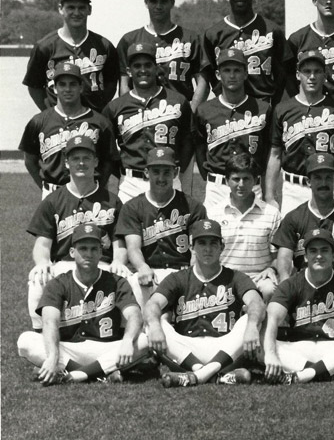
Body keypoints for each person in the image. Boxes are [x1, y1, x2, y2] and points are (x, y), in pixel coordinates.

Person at [17, 223, 148, 385]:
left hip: (106, 348)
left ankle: (76, 374)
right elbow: (50, 322)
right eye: (83, 249)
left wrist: (127, 341)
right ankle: (101, 373)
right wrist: (53, 356)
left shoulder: (116, 281)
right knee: (25, 341)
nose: (89, 254)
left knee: (143, 340)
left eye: (94, 249)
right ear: (72, 252)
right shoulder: (59, 283)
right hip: (70, 349)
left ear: (101, 252)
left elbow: (134, 315)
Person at [144, 219, 265, 387]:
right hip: (186, 348)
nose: (207, 249)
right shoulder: (178, 278)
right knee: (153, 323)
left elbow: (256, 302)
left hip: (225, 347)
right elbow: (152, 305)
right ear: (191, 247)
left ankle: (197, 376)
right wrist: (155, 326)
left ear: (221, 247)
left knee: (251, 320)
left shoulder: (235, 277)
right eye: (201, 243)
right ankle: (212, 375)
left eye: (213, 243)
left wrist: (252, 326)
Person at [26, 135, 127, 330]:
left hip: (102, 265)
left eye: (86, 158)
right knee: (37, 277)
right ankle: (41, 334)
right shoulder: (53, 201)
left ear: (96, 162)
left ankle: (125, 337)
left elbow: (119, 242)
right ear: (67, 163)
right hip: (64, 265)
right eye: (75, 158)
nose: (81, 163)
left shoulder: (112, 201)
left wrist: (119, 262)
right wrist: (42, 262)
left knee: (130, 279)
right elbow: (42, 244)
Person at [263, 228, 334, 384]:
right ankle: (329, 374)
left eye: (324, 250)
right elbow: (272, 317)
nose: (319, 256)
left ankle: (302, 376)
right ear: (306, 256)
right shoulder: (292, 284)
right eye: (313, 251)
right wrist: (271, 353)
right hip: (299, 349)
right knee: (262, 339)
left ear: (333, 255)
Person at [104, 42, 192, 203]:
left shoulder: (178, 101)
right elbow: (109, 152)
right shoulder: (115, 107)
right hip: (131, 183)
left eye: (147, 65)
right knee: (128, 228)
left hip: (168, 179)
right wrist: (124, 172)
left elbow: (188, 143)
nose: (143, 70)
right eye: (137, 66)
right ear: (129, 71)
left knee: (171, 228)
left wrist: (175, 168)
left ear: (156, 67)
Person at [118, 146, 207, 305]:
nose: (161, 177)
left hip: (181, 272)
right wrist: (142, 266)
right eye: (155, 171)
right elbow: (133, 248)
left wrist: (193, 272)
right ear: (146, 173)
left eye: (166, 172)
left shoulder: (193, 207)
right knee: (136, 284)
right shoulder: (132, 207)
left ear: (175, 173)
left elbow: (196, 249)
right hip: (148, 272)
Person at [265, 49, 334, 213]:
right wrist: (269, 195)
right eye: (307, 71)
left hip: (329, 187)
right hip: (294, 187)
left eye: (317, 71)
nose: (312, 76)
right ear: (298, 75)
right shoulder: (283, 109)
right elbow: (275, 154)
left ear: (325, 76)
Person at [272, 152, 334, 288]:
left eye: (328, 178)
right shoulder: (294, 217)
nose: (323, 183)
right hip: (306, 281)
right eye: (318, 178)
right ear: (308, 181)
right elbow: (284, 256)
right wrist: (284, 278)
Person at [19, 60, 116, 198]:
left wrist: (98, 185)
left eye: (73, 84)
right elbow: (30, 160)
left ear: (81, 87)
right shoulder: (39, 121)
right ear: (54, 88)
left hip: (89, 192)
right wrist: (44, 186)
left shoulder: (99, 122)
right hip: (52, 192)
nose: (67, 89)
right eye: (62, 84)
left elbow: (109, 161)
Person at [193, 48, 272, 211]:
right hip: (217, 187)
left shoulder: (263, 109)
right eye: (226, 70)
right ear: (217, 74)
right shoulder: (204, 110)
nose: (232, 75)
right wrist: (210, 175)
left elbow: (269, 150)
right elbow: (200, 149)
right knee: (212, 234)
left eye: (237, 70)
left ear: (245, 73)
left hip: (250, 184)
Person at [116, 0, 209, 111]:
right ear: (146, 3)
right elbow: (124, 83)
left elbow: (203, 81)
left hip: (180, 111)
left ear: (172, 3)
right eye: (153, 1)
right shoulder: (130, 40)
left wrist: (191, 112)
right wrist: (129, 112)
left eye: (163, 1)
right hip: (142, 113)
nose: (158, 6)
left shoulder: (190, 37)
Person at [22, 0, 119, 112]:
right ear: (60, 9)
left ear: (89, 9)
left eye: (81, 8)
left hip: (94, 120)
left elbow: (111, 83)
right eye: (71, 7)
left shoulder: (104, 45)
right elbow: (34, 87)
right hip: (59, 124)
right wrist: (51, 114)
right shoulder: (44, 47)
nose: (76, 13)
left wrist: (98, 110)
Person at [202, 0, 291, 104]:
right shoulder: (213, 34)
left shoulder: (272, 30)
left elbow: (285, 75)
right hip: (227, 109)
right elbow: (208, 76)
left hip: (263, 105)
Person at [207, 152, 281, 302]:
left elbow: (279, 256)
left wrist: (271, 269)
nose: (241, 184)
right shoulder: (213, 214)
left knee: (270, 289)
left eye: (246, 179)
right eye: (236, 179)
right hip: (225, 276)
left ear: (255, 180)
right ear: (227, 180)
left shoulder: (271, 214)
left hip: (259, 277)